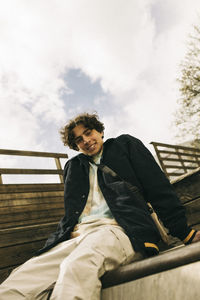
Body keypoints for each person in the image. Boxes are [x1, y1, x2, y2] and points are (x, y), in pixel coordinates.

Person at [1, 112, 200, 300]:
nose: (86, 140)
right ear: (75, 146)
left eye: (88, 133)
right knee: (17, 283)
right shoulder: (73, 167)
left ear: (100, 131)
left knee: (77, 267)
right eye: (79, 139)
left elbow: (157, 188)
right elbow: (71, 214)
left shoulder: (125, 145)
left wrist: (184, 233)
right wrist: (61, 238)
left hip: (120, 230)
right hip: (77, 236)